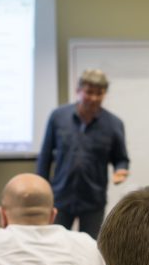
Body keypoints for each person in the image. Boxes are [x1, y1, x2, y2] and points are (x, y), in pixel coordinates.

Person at [36, 69, 129, 239]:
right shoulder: (58, 117)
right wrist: (41, 188)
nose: (93, 98)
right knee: (54, 244)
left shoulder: (114, 124)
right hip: (60, 198)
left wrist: (121, 170)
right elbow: (45, 156)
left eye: (99, 93)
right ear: (78, 91)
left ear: (105, 94)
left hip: (93, 200)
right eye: (89, 92)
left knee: (92, 248)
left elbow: (121, 159)